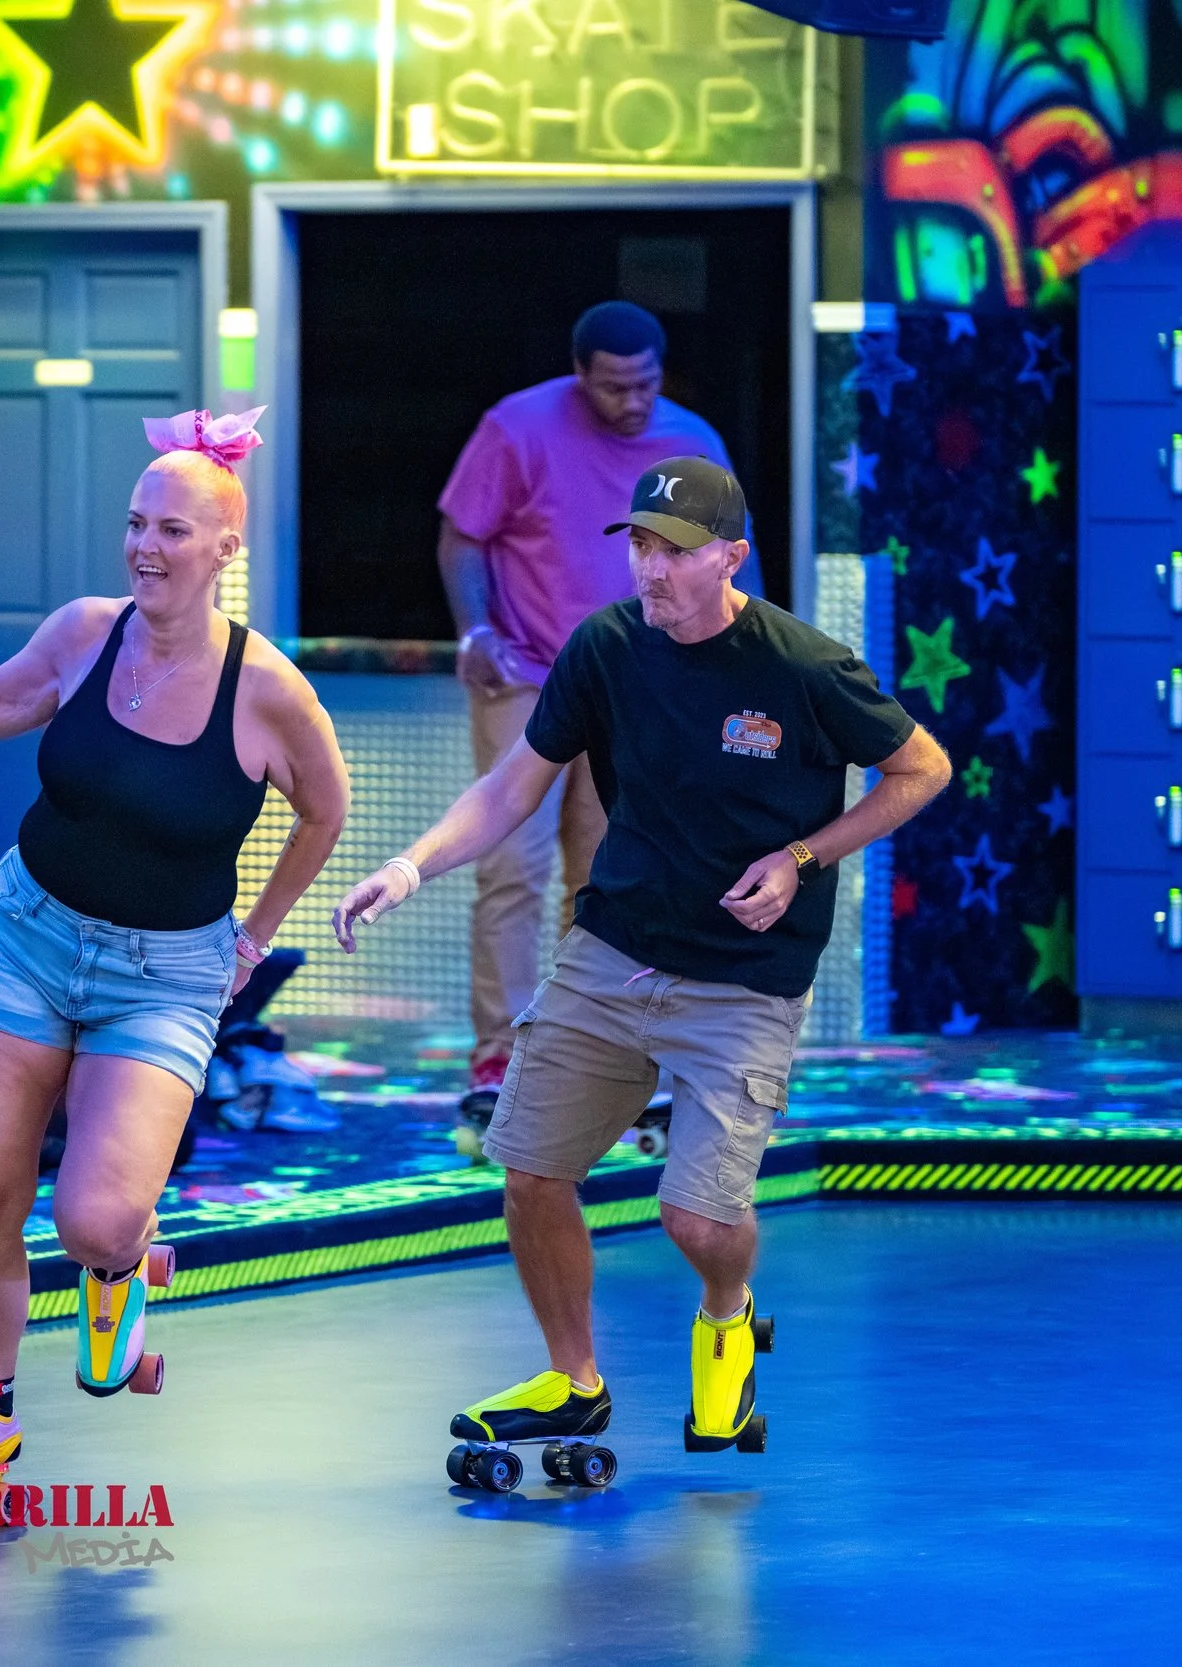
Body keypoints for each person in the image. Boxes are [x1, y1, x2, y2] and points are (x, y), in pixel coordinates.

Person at [335, 458, 949, 1459]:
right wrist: (407, 868)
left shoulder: (802, 665)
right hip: (611, 951)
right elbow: (510, 787)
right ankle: (573, 1379)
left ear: (730, 558)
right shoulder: (607, 647)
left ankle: (729, 1312)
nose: (648, 570)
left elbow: (921, 766)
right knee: (529, 1167)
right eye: (637, 546)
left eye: (672, 551)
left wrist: (801, 855)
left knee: (697, 1219)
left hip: (743, 977)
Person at [0, 409, 350, 1475]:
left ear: (223, 548)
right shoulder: (83, 631)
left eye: (171, 530)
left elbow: (324, 812)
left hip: (162, 975)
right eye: (135, 524)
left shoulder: (268, 690)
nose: (145, 547)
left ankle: (119, 1264)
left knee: (96, 1218)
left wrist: (252, 937)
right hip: (25, 934)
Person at [437, 302, 761, 1129]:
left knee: (614, 876)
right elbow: (461, 536)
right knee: (514, 865)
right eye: (615, 386)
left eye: (646, 383)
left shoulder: (691, 444)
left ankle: (602, 1045)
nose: (633, 401)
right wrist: (476, 628)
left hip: (637, 685)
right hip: (530, 677)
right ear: (581, 375)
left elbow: (729, 566)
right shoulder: (518, 427)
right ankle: (501, 1048)